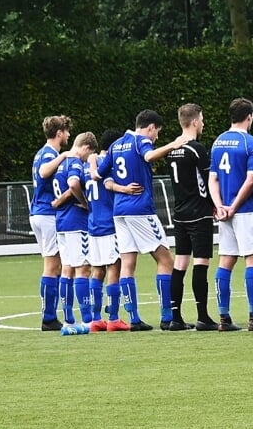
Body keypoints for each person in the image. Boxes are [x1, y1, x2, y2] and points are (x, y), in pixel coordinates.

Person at [99, 109, 197, 330]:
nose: (156, 138)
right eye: (157, 133)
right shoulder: (140, 141)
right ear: (150, 127)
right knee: (166, 260)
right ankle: (167, 317)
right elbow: (149, 156)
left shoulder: (116, 145)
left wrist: (119, 188)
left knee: (128, 264)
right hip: (140, 209)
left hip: (120, 212)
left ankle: (133, 319)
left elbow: (100, 175)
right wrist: (173, 144)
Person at [208, 98, 253, 330]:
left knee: (226, 261)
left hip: (224, 213)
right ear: (249, 116)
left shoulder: (218, 142)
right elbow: (252, 179)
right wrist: (233, 206)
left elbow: (213, 178)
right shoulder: (252, 143)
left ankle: (224, 317)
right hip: (246, 210)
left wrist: (220, 205)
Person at [164, 103, 217, 330]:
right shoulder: (197, 149)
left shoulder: (173, 149)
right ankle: (203, 316)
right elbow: (208, 181)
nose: (203, 123)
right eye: (202, 119)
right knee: (201, 263)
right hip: (199, 213)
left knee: (180, 263)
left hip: (180, 214)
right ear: (195, 121)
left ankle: (175, 317)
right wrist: (217, 205)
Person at [31, 115, 73, 330]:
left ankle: (50, 315)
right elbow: (43, 171)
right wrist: (65, 155)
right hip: (46, 214)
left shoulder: (41, 152)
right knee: (52, 266)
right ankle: (48, 318)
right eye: (66, 132)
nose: (68, 136)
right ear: (59, 133)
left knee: (53, 265)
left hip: (39, 213)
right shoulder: (49, 153)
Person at [52, 134, 96, 329]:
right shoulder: (75, 161)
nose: (89, 158)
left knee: (67, 269)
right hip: (76, 222)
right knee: (83, 268)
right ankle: (87, 319)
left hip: (62, 222)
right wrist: (83, 202)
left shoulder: (60, 163)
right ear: (86, 148)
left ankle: (69, 318)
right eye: (90, 154)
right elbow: (73, 184)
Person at [83, 134, 124, 330]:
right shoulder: (107, 165)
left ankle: (96, 318)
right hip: (109, 225)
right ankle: (114, 319)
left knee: (97, 270)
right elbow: (107, 184)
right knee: (114, 267)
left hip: (93, 224)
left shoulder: (87, 165)